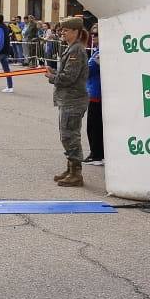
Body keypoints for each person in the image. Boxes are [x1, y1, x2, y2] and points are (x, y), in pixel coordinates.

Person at [48, 17, 90, 186]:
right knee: (67, 135)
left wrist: (52, 77)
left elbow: (68, 78)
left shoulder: (76, 51)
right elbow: (65, 73)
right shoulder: (72, 48)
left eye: (66, 30)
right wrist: (54, 72)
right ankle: (70, 168)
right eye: (62, 30)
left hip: (73, 100)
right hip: (68, 99)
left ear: (75, 32)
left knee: (70, 136)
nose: (62, 33)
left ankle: (76, 173)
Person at [82, 25, 104, 167]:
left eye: (96, 34)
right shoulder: (97, 51)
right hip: (93, 92)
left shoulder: (100, 53)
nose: (93, 36)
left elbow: (88, 71)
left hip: (96, 94)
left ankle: (96, 155)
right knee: (95, 126)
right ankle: (98, 154)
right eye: (92, 34)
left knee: (93, 127)